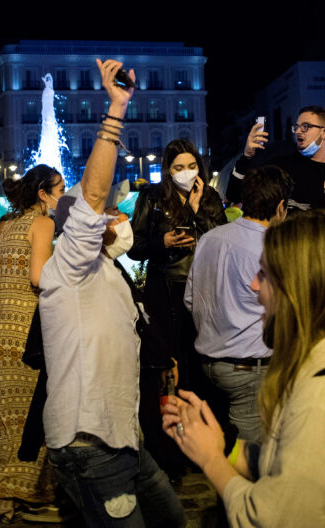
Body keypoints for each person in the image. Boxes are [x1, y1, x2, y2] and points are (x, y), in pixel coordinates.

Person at [164, 210, 325, 527]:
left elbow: (267, 518)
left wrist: (211, 460)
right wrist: (223, 444)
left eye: (264, 274)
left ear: (299, 290)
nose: (254, 286)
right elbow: (293, 467)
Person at [39, 58, 185, 527]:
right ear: (91, 226)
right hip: (91, 446)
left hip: (123, 439)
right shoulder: (72, 265)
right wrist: (116, 110)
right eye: (113, 215)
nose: (123, 219)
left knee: (173, 518)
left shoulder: (109, 270)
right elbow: (94, 195)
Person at [128, 137, 226, 481]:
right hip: (164, 291)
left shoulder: (210, 198)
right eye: (178, 168)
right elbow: (134, 247)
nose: (186, 173)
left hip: (201, 292)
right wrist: (162, 242)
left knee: (198, 371)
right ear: (168, 171)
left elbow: (221, 241)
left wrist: (199, 211)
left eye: (192, 166)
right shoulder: (151, 198)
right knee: (164, 375)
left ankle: (202, 449)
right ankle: (168, 457)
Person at [185, 166, 293, 445]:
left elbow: (190, 298)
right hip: (247, 371)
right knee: (249, 462)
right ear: (281, 207)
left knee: (226, 447)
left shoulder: (210, 238)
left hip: (208, 366)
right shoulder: (269, 248)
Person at [0, 164, 61, 522]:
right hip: (25, 333)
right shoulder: (43, 224)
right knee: (31, 421)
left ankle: (4, 495)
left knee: (4, 422)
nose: (63, 194)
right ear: (43, 194)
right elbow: (39, 276)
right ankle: (31, 497)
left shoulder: (6, 225)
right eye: (59, 189)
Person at [226, 106, 325, 228]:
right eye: (297, 127)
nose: (298, 132)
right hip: (285, 250)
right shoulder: (282, 166)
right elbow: (234, 194)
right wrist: (247, 156)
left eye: (306, 127)